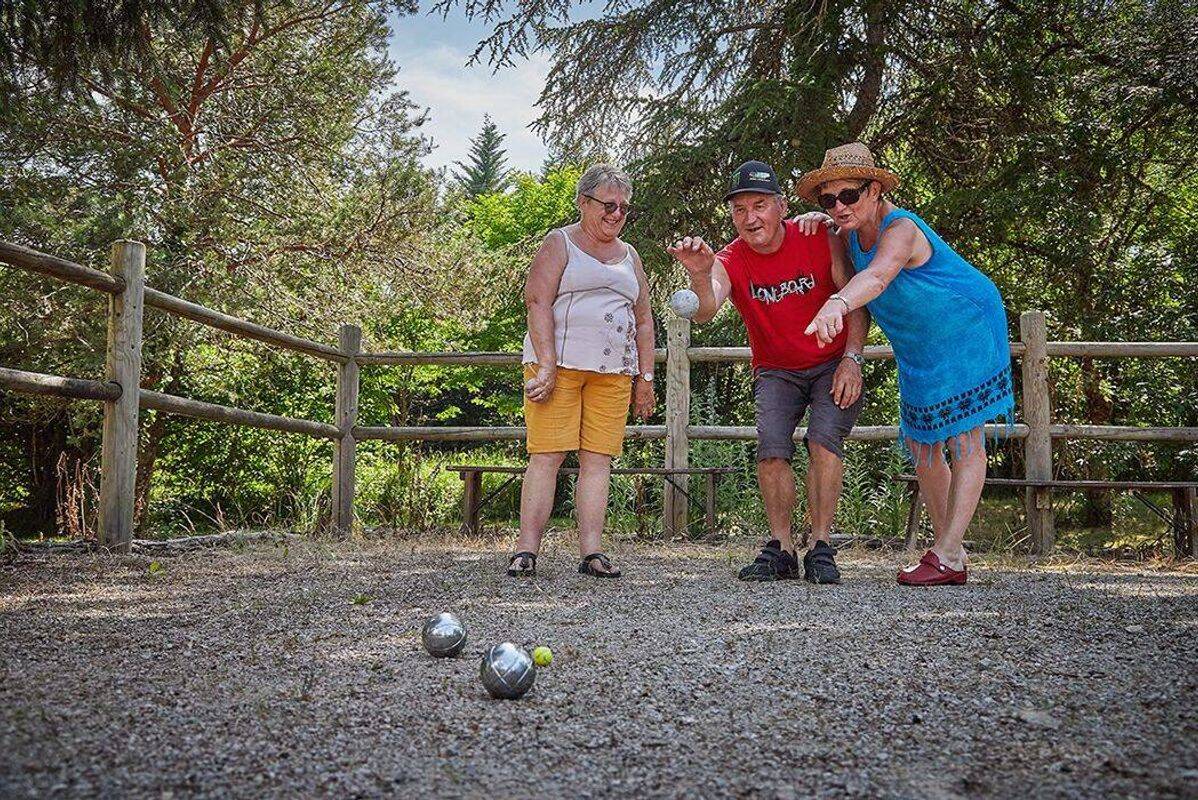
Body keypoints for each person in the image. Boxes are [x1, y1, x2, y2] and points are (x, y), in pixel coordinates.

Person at [797, 142, 1014, 586]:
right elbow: (843, 248)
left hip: (965, 326)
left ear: (875, 190)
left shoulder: (902, 229)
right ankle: (949, 552)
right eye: (828, 200)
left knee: (964, 438)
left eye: (848, 195)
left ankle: (948, 553)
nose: (838, 207)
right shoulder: (846, 231)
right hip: (919, 344)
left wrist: (837, 303)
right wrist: (820, 222)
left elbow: (877, 276)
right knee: (922, 443)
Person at [668, 160, 869, 583]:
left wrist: (853, 359)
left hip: (832, 362)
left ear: (781, 207)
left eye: (759, 206)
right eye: (739, 209)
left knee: (824, 441)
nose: (750, 218)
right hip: (776, 369)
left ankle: (820, 545)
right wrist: (700, 274)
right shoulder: (729, 258)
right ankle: (782, 548)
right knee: (772, 447)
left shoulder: (818, 236)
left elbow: (855, 299)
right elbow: (706, 310)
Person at [511, 164, 655, 579]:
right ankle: (526, 550)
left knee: (598, 460)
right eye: (608, 205)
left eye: (624, 207)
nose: (616, 214)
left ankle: (592, 552)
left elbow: (644, 320)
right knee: (548, 455)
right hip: (558, 368)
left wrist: (645, 379)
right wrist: (546, 365)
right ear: (583, 202)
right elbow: (537, 302)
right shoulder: (560, 242)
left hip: (613, 372)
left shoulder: (630, 256)